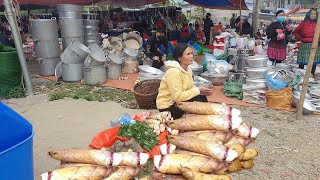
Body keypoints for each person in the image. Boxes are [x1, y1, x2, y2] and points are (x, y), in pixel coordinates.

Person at [156, 44, 213, 119]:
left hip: (179, 101)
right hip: (168, 105)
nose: (191, 56)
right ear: (180, 58)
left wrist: (200, 91)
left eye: (192, 53)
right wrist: (198, 90)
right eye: (188, 54)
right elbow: (177, 97)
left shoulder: (188, 69)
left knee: (202, 99)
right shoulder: (174, 72)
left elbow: (191, 88)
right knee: (196, 109)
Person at [293, 8, 320, 76]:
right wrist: (301, 38)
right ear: (308, 14)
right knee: (302, 61)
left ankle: (311, 75)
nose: (313, 15)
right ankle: (300, 75)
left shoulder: (318, 24)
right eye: (311, 14)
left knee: (313, 62)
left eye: (314, 14)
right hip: (305, 44)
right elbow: (296, 32)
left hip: (315, 45)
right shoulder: (303, 24)